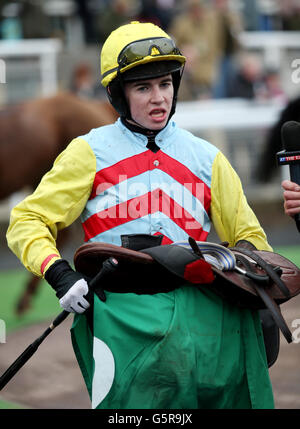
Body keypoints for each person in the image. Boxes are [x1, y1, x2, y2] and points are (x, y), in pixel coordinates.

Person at [6, 21, 275, 409]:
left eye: (165, 84)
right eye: (143, 87)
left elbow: (250, 236)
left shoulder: (208, 157)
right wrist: (58, 273)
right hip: (123, 320)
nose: (158, 98)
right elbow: (27, 220)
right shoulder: (87, 153)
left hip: (203, 317)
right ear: (118, 93)